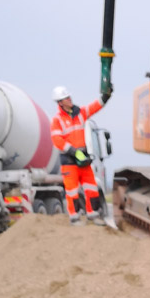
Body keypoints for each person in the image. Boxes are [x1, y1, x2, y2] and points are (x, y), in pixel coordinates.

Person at [49, 84, 108, 224]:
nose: (69, 99)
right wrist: (72, 150)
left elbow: (95, 107)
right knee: (72, 190)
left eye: (69, 96)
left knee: (92, 187)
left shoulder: (80, 112)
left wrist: (105, 97)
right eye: (65, 98)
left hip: (83, 159)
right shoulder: (57, 120)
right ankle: (74, 217)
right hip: (69, 161)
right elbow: (57, 140)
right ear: (60, 102)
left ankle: (93, 214)